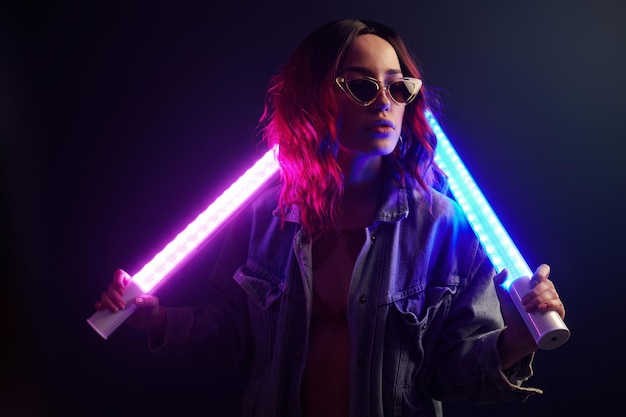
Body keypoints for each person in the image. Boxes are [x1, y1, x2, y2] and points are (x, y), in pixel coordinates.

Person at [94, 18, 566, 417]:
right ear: (314, 97)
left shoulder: (445, 226)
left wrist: (518, 341)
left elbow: (448, 372)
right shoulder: (265, 215)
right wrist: (158, 322)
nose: (384, 100)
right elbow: (240, 337)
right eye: (361, 85)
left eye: (397, 86)